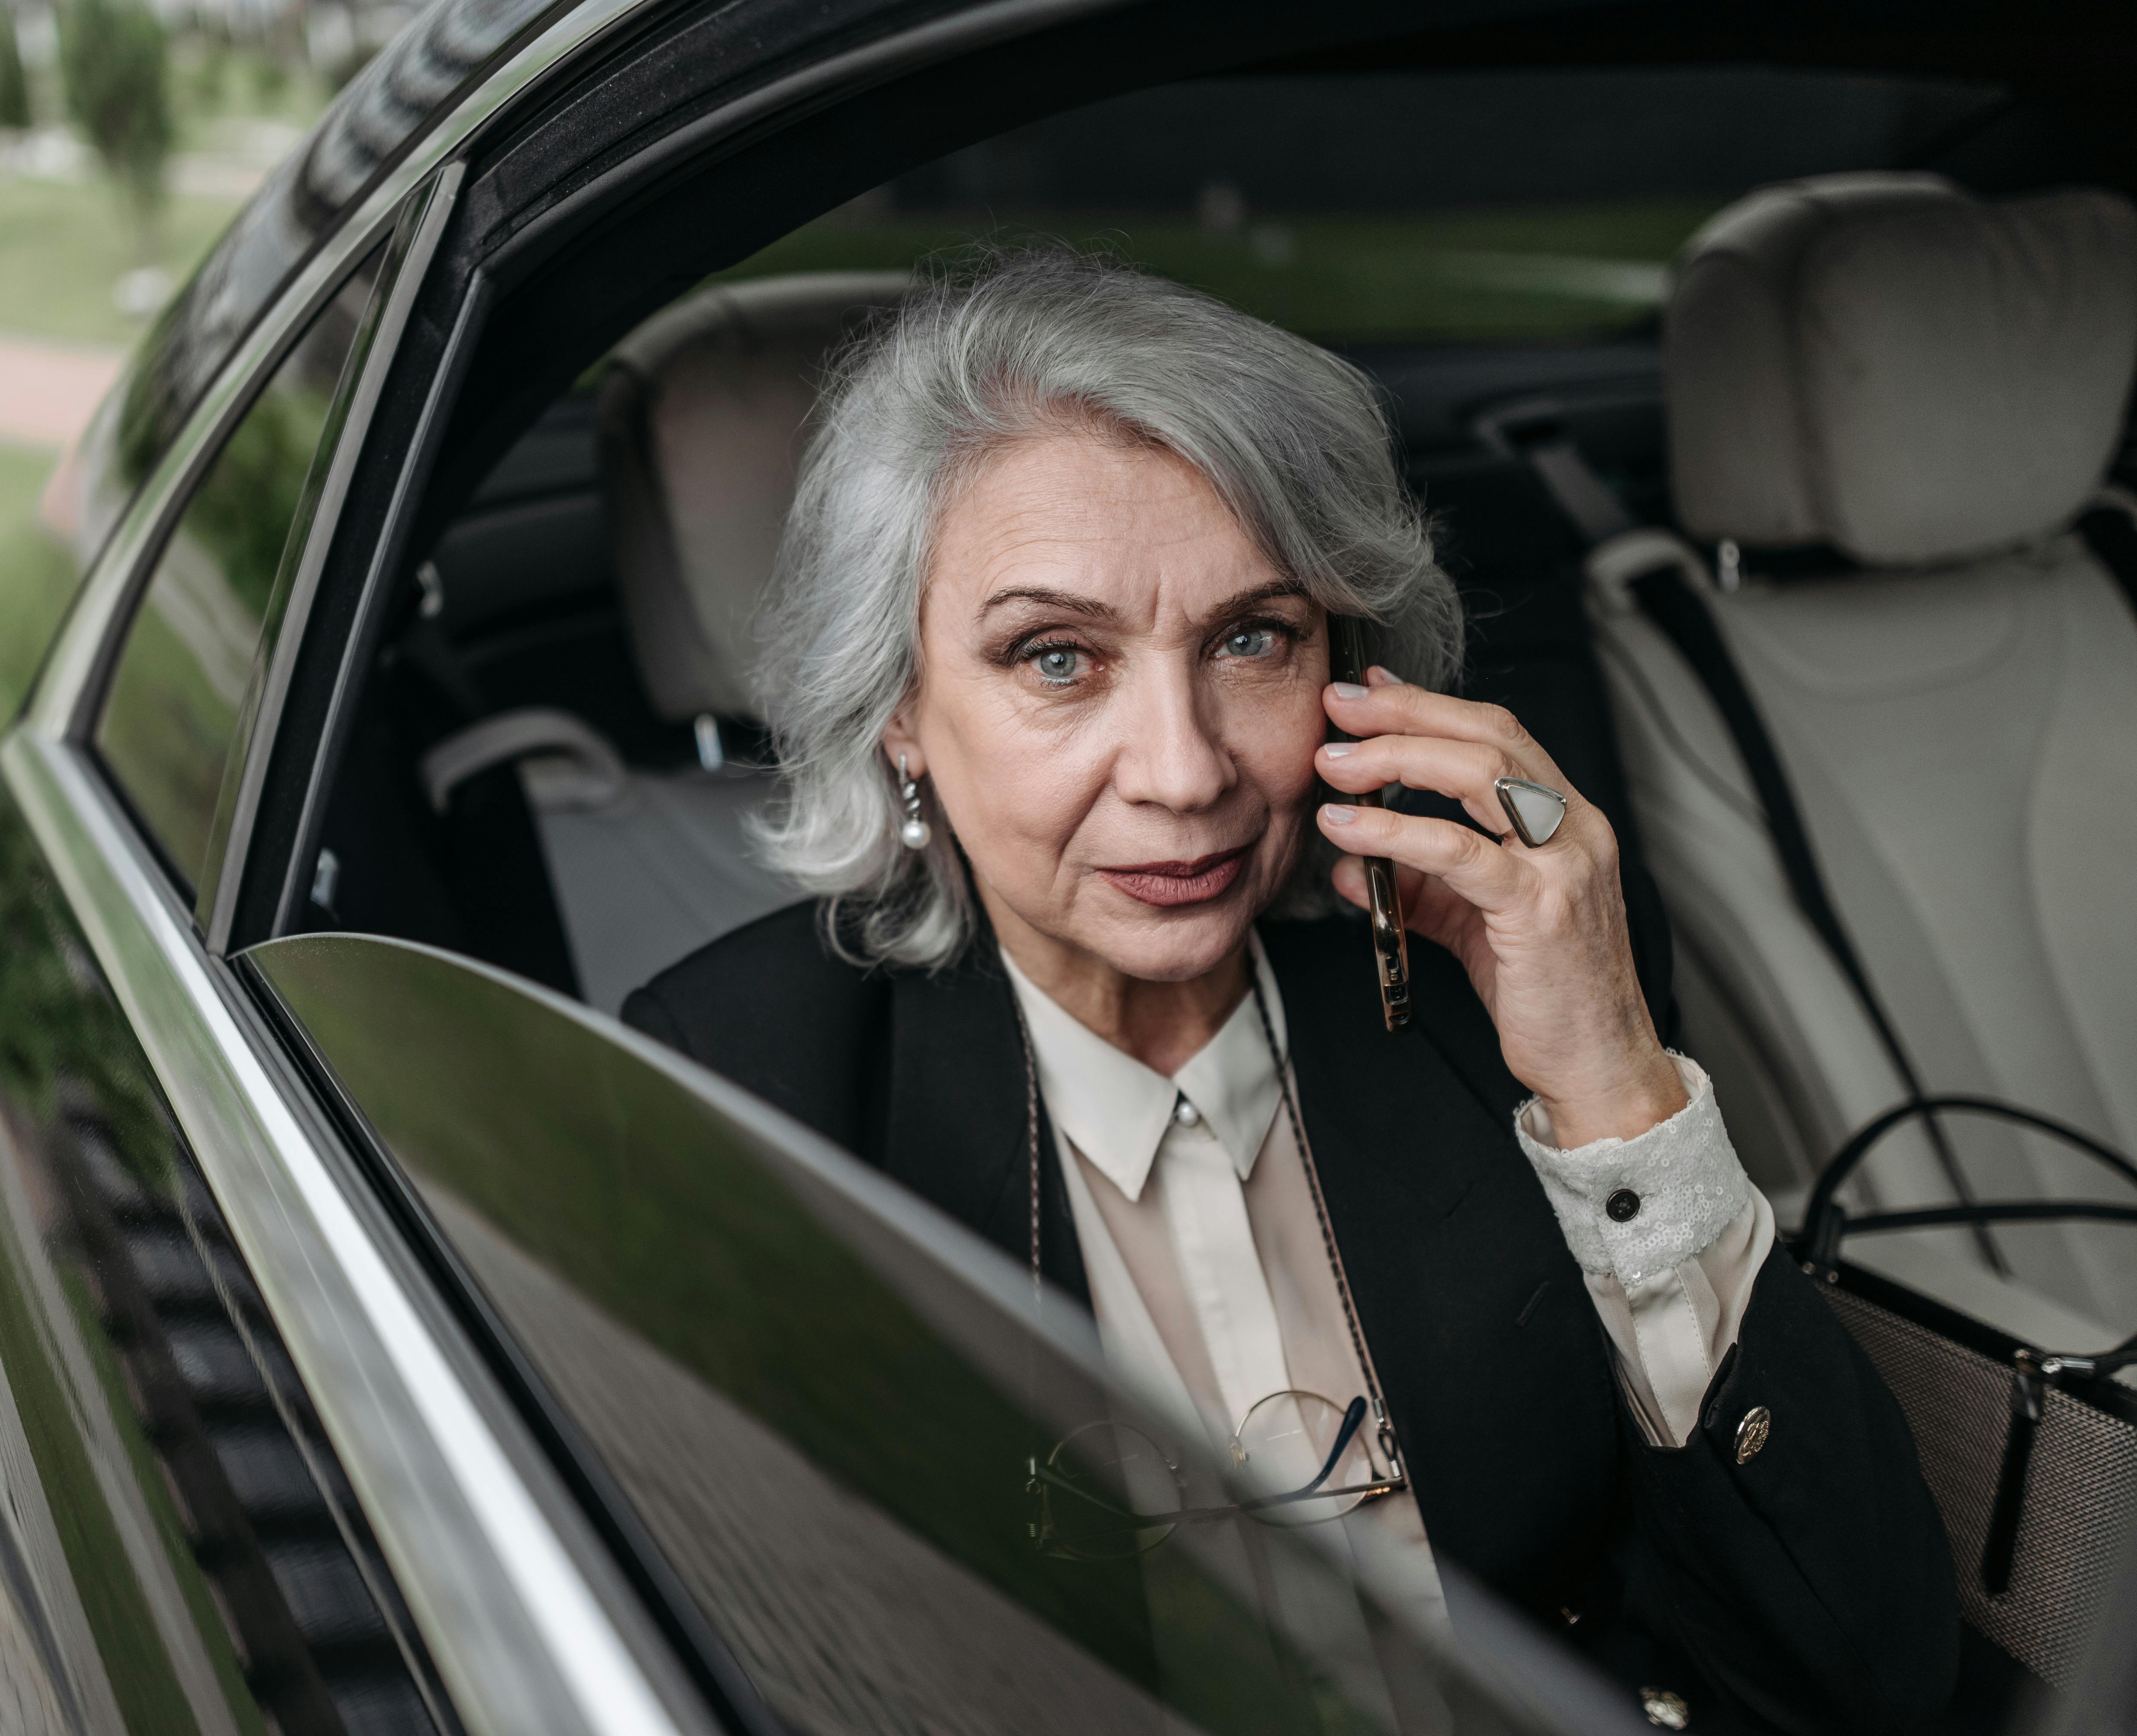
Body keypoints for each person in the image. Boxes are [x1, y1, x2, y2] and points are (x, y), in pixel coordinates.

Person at [621, 249, 1956, 1735]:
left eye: (1252, 638)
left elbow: (1869, 1673)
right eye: (1057, 658)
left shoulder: (1493, 1005)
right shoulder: (730, 1091)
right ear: (900, 716)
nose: (1187, 773)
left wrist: (1616, 1091)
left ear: (1350, 666)